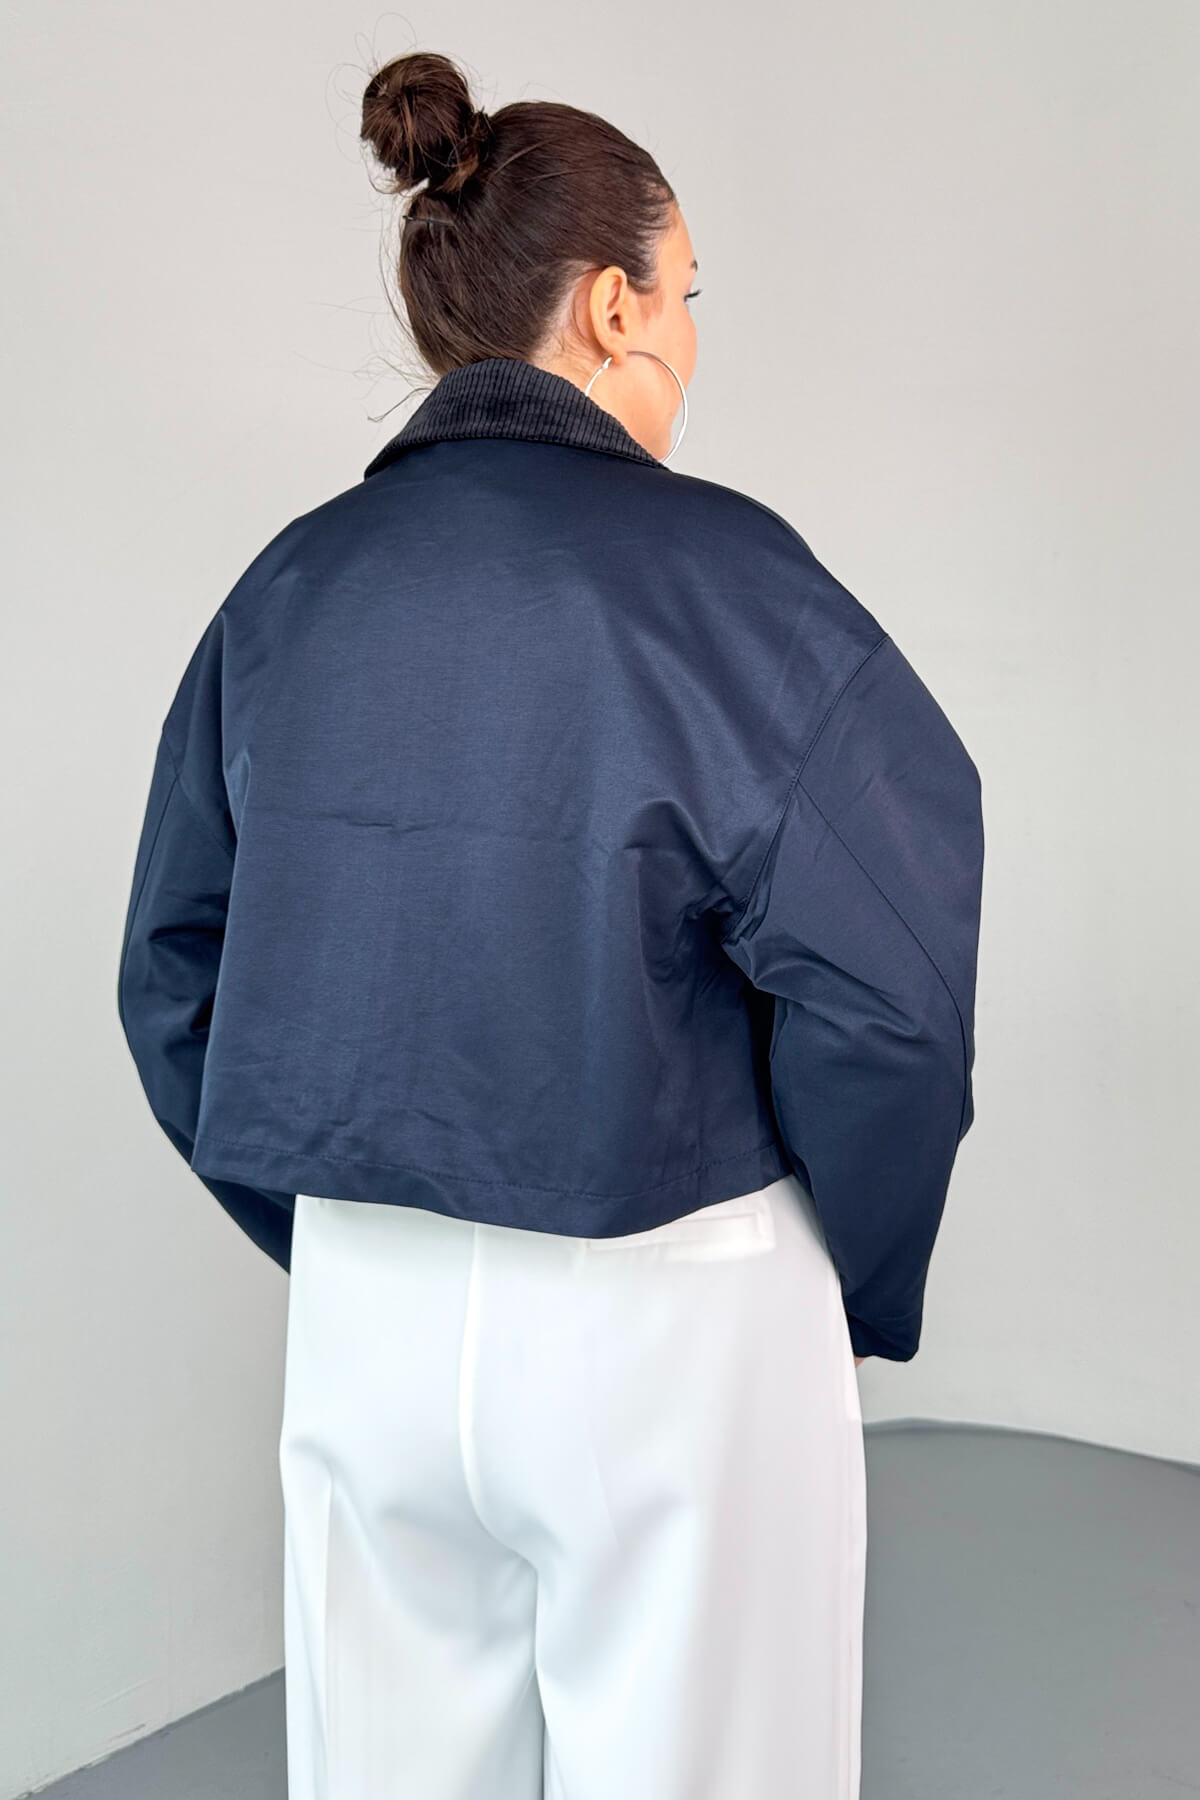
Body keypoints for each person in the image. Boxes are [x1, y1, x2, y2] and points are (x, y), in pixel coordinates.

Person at [117, 46, 984, 1800]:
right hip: (673, 1312)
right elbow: (890, 998)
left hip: (364, 1314)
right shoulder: (737, 589)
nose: (691, 339)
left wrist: (347, 1227)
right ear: (608, 307)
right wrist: (849, 1281)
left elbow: (173, 973)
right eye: (688, 296)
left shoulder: (289, 590)